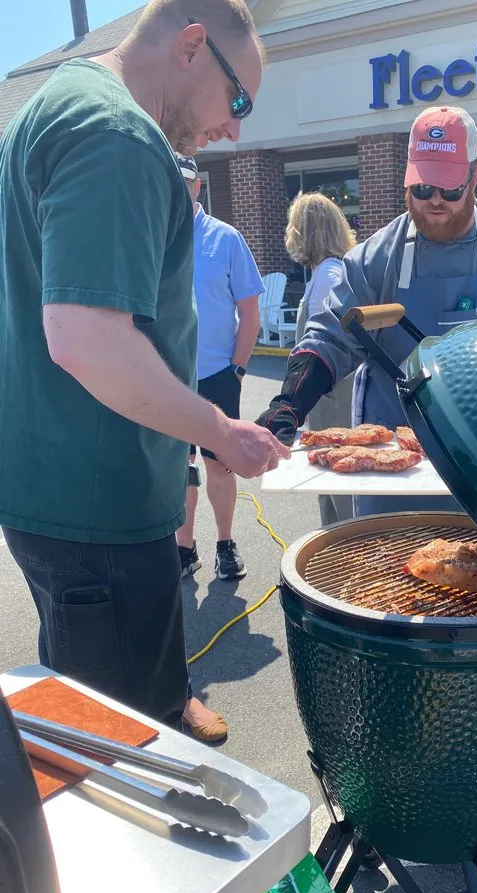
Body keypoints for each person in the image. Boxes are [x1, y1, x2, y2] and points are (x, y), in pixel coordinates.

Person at [0, 0, 289, 730]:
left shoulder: (62, 104)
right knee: (119, 745)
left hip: (75, 486)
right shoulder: (115, 135)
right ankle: (151, 720)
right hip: (98, 502)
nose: (234, 127)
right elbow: (86, 340)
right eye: (238, 98)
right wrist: (222, 431)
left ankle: (162, 694)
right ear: (192, 47)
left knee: (100, 676)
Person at [258, 105, 477, 518]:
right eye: (423, 189)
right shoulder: (375, 259)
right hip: (395, 473)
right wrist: (289, 402)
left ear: (475, 176)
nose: (435, 201)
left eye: (451, 189)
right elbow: (330, 337)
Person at [175, 153, 264, 582]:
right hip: (170, 375)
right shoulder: (152, 237)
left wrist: (238, 370)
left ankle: (225, 544)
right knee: (179, 467)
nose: (176, 187)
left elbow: (250, 313)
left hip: (216, 375)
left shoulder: (225, 238)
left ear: (197, 186)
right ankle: (183, 548)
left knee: (219, 465)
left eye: (184, 181)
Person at [285, 191, 357, 525]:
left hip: (334, 398)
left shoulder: (329, 276)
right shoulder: (330, 272)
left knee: (338, 484)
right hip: (328, 399)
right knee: (328, 485)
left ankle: (346, 561)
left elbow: (335, 342)